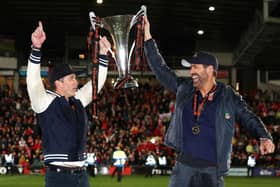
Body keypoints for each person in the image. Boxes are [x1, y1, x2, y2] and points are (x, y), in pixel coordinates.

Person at [143, 16, 275, 187]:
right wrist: (147, 37)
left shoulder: (228, 96)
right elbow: (161, 70)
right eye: (190, 68)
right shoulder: (185, 88)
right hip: (184, 168)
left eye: (195, 67)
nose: (191, 72)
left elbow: (249, 117)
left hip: (212, 171)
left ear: (210, 70)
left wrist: (264, 136)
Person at [26, 21, 111, 187]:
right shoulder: (44, 101)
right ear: (58, 83)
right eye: (72, 78)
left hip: (82, 176)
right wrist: (36, 49)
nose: (76, 82)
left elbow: (97, 83)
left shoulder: (77, 100)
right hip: (59, 178)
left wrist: (103, 54)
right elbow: (33, 82)